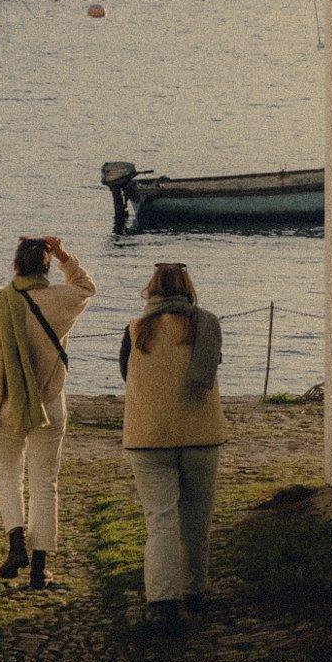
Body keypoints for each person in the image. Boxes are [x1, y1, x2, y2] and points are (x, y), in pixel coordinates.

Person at [0, 235, 96, 589]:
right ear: (46, 268)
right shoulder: (61, 300)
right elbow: (86, 286)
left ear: (15, 265)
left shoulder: (0, 303)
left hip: (9, 404)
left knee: (7, 476)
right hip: (49, 404)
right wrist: (63, 256)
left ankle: (16, 544)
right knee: (45, 484)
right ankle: (39, 568)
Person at [119, 261, 227, 631]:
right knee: (197, 519)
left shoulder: (135, 330)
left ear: (152, 290)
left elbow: (125, 374)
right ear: (187, 288)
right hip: (200, 435)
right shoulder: (206, 325)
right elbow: (213, 365)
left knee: (160, 521)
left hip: (149, 438)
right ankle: (195, 591)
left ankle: (164, 599)